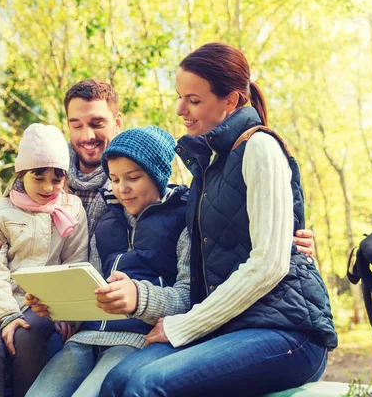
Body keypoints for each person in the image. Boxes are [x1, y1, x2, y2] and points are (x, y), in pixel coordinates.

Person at [0, 79, 316, 396]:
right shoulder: (46, 172)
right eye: (76, 124)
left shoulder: (166, 187)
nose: (86, 134)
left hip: (121, 329)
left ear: (117, 121)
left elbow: (209, 249)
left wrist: (291, 243)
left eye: (96, 123)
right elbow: (20, 242)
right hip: (57, 320)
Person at [99, 43, 338, 396]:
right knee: (118, 380)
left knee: (146, 384)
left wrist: (184, 326)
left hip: (287, 332)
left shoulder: (259, 148)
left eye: (193, 100)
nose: (181, 109)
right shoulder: (208, 166)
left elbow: (269, 265)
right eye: (180, 97)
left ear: (230, 100)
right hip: (229, 326)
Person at [25, 126, 191, 397]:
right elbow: (89, 290)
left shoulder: (184, 219)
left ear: (158, 176)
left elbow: (187, 297)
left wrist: (140, 297)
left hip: (135, 341)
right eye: (114, 179)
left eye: (133, 178)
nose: (122, 189)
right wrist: (54, 305)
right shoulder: (106, 221)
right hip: (84, 340)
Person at [0, 123, 88, 397]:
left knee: (27, 336)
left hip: (41, 304)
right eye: (38, 177)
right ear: (22, 174)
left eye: (57, 179)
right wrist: (6, 316)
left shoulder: (72, 209)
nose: (48, 187)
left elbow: (76, 263)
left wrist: (68, 313)